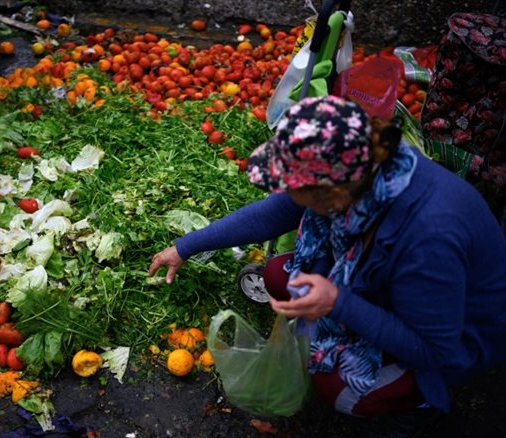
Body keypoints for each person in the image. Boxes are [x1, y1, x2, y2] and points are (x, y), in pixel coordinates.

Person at [149, 96, 506, 436]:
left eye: (293, 187)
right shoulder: (366, 174)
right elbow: (277, 212)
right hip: (393, 291)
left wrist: (338, 303)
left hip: (452, 339)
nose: (286, 193)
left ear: (332, 195)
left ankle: (413, 407)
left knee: (335, 384)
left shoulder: (428, 237)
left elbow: (433, 348)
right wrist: (187, 247)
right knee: (277, 275)